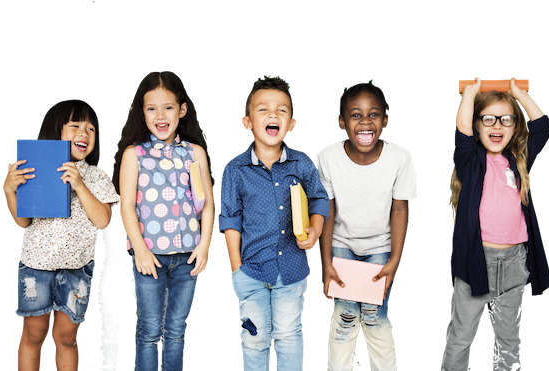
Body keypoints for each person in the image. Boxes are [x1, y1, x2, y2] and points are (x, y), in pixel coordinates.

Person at [440, 77, 549, 370]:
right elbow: (462, 129)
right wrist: (471, 93)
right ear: (477, 125)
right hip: (476, 263)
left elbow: (543, 126)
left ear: (515, 127)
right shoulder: (471, 160)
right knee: (461, 337)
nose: (497, 126)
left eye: (506, 120)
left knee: (509, 341)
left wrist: (519, 94)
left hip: (515, 264)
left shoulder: (518, 160)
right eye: (488, 119)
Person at [219, 75, 330, 371]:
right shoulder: (235, 169)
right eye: (263, 109)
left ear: (292, 123)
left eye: (281, 110)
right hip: (250, 271)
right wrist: (235, 266)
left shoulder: (302, 163)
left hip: (292, 269)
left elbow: (319, 200)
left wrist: (315, 231)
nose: (272, 115)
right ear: (247, 122)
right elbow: (230, 218)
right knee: (254, 339)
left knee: (289, 335)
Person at [3, 99, 119, 370]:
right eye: (75, 126)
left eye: (91, 129)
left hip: (77, 270)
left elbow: (103, 221)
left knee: (66, 337)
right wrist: (10, 190)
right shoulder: (36, 171)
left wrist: (79, 184)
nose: (85, 133)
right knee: (34, 334)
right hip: (36, 267)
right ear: (55, 132)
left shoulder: (97, 176)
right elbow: (22, 221)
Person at [113, 71, 214, 370]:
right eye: (151, 108)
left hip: (188, 257)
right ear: (141, 112)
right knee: (149, 331)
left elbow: (207, 205)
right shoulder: (135, 154)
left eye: (168, 107)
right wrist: (141, 251)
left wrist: (205, 246)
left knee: (176, 332)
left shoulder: (194, 153)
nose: (160, 115)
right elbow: (126, 207)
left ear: (182, 110)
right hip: (150, 258)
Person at [317, 81, 418, 371]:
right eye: (355, 114)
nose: (365, 121)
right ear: (341, 122)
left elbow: (400, 209)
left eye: (373, 114)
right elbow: (328, 210)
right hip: (342, 244)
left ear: (386, 120)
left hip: (381, 246)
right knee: (345, 315)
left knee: (375, 314)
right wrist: (326, 262)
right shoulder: (327, 157)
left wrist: (394, 261)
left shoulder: (401, 159)